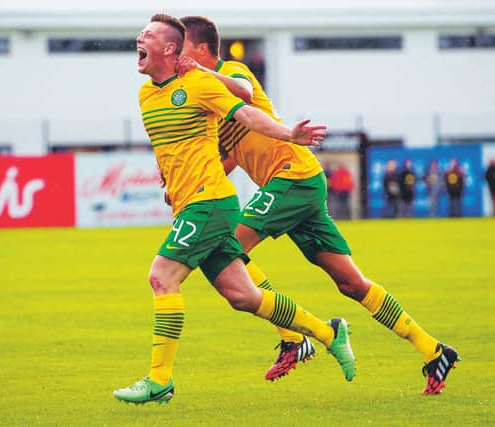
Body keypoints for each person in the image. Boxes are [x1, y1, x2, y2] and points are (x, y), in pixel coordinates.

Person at [177, 15, 459, 395]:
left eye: (181, 48)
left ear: (201, 50)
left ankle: (294, 337)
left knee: (227, 251)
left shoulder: (231, 71)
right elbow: (230, 154)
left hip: (291, 176)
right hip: (298, 184)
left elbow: (243, 91)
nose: (176, 55)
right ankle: (433, 349)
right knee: (350, 282)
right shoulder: (207, 96)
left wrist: (200, 73)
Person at [113, 14, 356, 405]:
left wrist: (288, 133)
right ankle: (328, 333)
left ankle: (159, 380)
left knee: (162, 277)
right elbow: (175, 145)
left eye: (150, 34)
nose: (140, 37)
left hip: (209, 202)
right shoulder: (146, 96)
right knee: (242, 295)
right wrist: (169, 180)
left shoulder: (198, 82)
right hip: (192, 203)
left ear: (171, 49)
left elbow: (245, 108)